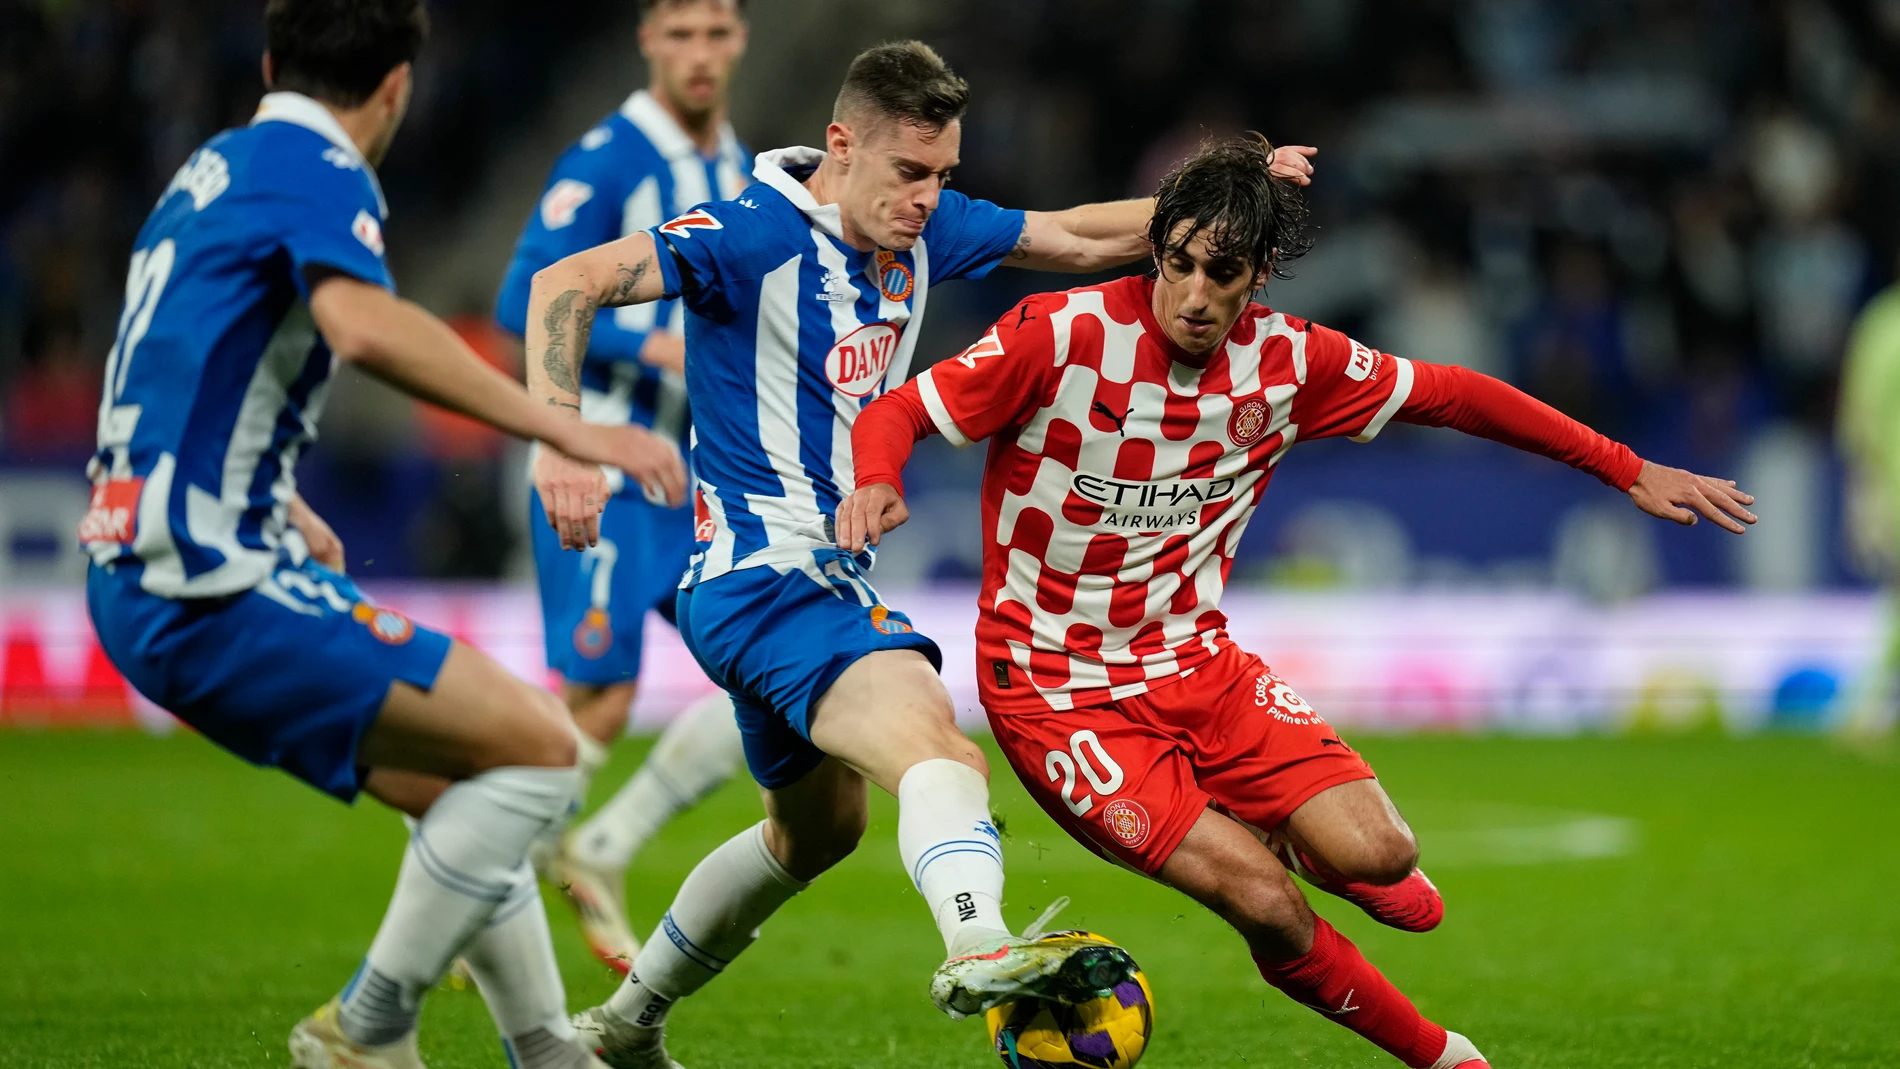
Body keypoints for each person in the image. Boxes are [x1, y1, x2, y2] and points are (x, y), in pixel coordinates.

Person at [840, 134, 1758, 1069]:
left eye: (1223, 273)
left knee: (1385, 857)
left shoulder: (1291, 362)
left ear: (1261, 275)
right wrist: (877, 477)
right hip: (1054, 690)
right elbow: (900, 411)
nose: (1195, 295)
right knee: (1265, 901)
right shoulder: (1060, 335)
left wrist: (1628, 467)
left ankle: (1305, 841)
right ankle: (1445, 1055)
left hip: (1197, 662)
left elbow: (1457, 396)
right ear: (1157, 248)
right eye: (1180, 263)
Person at [521, 41, 1318, 1068]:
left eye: (942, 174)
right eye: (909, 173)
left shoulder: (925, 228)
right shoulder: (746, 233)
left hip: (794, 584)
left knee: (811, 836)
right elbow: (564, 283)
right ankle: (978, 945)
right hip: (771, 578)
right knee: (941, 752)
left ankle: (624, 1028)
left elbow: (1075, 234)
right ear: (842, 146)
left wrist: (1223, 203)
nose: (927, 198)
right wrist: (559, 438)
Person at [78, 2, 686, 1067]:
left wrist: (280, 496)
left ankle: (547, 1049)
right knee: (543, 750)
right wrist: (564, 424)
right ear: (400, 86)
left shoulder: (211, 170)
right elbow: (361, 327)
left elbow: (177, 362)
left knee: (470, 782)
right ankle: (364, 1026)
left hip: (157, 559)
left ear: (271, 63)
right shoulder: (315, 166)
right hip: (206, 580)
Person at [494, 0, 752, 974]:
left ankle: (596, 846)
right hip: (598, 463)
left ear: (740, 41)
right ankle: (484, 870)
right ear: (646, 39)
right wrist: (652, 339)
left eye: (716, 33)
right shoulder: (608, 158)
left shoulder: (736, 167)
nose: (699, 54)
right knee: (600, 694)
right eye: (679, 34)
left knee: (764, 671)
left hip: (689, 476)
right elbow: (524, 292)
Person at [1839, 255, 1900, 735]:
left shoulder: (1880, 323)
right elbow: (1859, 418)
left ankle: (1866, 705)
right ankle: (1865, 705)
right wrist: (1865, 495)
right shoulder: (1884, 324)